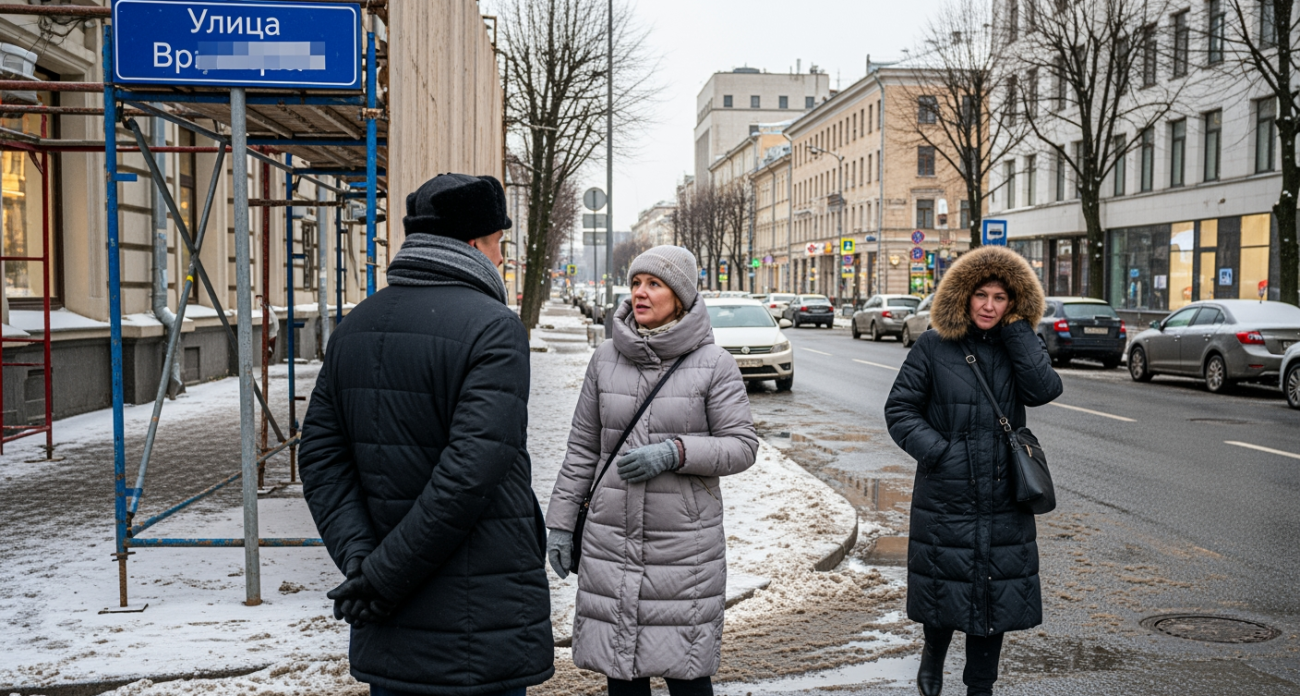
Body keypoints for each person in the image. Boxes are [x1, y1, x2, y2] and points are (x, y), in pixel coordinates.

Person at [298, 173, 554, 696]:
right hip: (480, 624)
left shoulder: (355, 326)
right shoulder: (494, 328)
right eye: (499, 243)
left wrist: (362, 563)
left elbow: (321, 457)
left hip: (389, 619)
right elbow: (469, 474)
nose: (502, 258)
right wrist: (380, 576)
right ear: (472, 244)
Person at [546, 246, 758, 696]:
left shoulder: (713, 364)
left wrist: (675, 452)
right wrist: (562, 525)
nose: (640, 293)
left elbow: (742, 447)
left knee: (687, 679)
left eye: (654, 284)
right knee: (622, 677)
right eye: (636, 283)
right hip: (610, 539)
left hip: (683, 550)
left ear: (679, 297)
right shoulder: (605, 358)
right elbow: (582, 449)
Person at [883, 246, 1062, 696]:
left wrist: (1020, 331)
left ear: (1013, 303)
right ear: (963, 296)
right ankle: (933, 653)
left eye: (1001, 297)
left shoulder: (1019, 343)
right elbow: (900, 409)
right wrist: (941, 453)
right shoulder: (933, 345)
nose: (988, 305)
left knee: (993, 592)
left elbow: (1044, 390)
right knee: (946, 580)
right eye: (980, 294)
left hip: (1005, 491)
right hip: (947, 490)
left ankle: (981, 685)